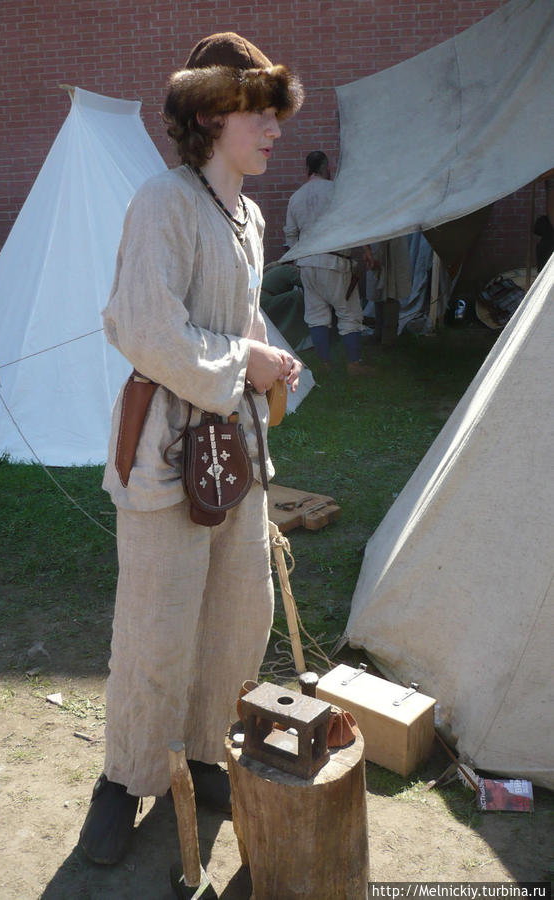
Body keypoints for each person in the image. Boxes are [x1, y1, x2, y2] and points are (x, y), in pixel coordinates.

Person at [78, 32, 304, 866]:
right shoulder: (162, 204)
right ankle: (123, 781)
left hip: (234, 456)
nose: (274, 128)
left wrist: (268, 354)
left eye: (276, 114)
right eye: (258, 113)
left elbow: (237, 320)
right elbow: (143, 328)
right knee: (156, 626)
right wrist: (241, 360)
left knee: (239, 615)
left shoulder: (248, 215)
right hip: (165, 456)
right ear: (211, 115)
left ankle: (207, 751)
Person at [284, 151, 372, 374]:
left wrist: (298, 261)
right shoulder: (336, 191)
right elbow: (353, 224)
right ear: (326, 167)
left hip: (307, 264)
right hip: (334, 263)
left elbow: (291, 236)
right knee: (349, 312)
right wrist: (367, 251)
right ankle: (353, 364)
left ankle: (324, 365)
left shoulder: (296, 197)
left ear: (307, 170)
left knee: (316, 316)